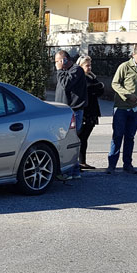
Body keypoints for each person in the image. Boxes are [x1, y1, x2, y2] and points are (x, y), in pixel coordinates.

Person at [107, 45, 137, 174]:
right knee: (117, 136)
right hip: (121, 107)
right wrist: (127, 94)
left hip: (135, 108)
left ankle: (127, 164)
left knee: (130, 137)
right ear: (133, 55)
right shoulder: (124, 66)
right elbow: (115, 83)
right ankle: (111, 165)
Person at [54, 50, 87, 180]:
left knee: (70, 141)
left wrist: (59, 70)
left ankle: (72, 171)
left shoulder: (76, 70)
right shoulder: (65, 72)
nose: (56, 64)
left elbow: (66, 84)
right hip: (63, 111)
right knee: (64, 142)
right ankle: (70, 170)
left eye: (57, 61)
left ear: (64, 60)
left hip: (73, 111)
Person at [76, 55, 104, 170]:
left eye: (90, 65)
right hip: (84, 111)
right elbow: (89, 89)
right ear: (81, 66)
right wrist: (97, 87)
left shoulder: (92, 77)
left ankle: (83, 161)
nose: (89, 67)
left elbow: (100, 90)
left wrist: (97, 87)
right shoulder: (79, 77)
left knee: (85, 138)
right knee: (80, 137)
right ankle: (78, 162)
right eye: (87, 65)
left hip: (92, 111)